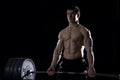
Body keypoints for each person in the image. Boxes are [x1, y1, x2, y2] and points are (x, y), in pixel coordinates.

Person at [47, 6, 96, 80]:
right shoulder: (62, 33)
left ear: (78, 15)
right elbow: (58, 51)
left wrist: (91, 67)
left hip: (78, 64)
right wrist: (53, 66)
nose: (69, 16)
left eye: (72, 14)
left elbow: (89, 50)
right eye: (68, 14)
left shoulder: (84, 31)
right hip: (65, 63)